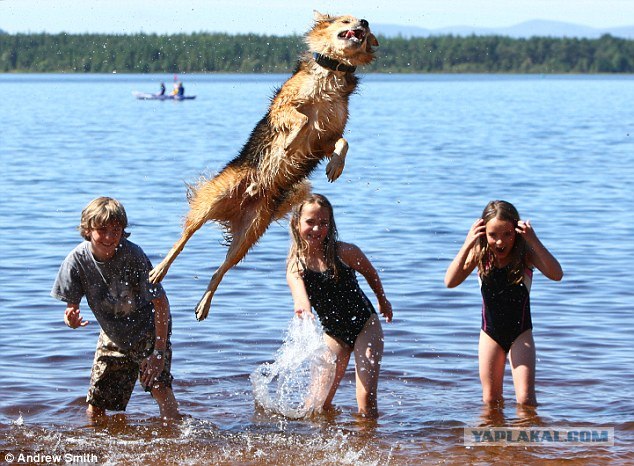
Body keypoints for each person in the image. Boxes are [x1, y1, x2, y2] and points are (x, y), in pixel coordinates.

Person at [51, 197, 180, 420]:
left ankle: (176, 441)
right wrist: (71, 320)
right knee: (96, 405)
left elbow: (161, 303)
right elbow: (71, 311)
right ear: (88, 229)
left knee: (159, 387)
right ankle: (99, 450)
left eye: (116, 230)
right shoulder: (76, 261)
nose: (110, 237)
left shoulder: (133, 256)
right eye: (102, 230)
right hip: (113, 335)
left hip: (147, 331)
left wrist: (158, 352)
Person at [444, 200, 563, 407]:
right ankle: (494, 440)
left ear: (516, 232)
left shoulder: (525, 254)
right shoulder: (481, 255)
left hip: (521, 334)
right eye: (493, 235)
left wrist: (534, 240)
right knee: (491, 400)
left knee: (526, 400)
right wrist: (467, 244)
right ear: (483, 233)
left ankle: (525, 439)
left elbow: (557, 274)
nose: (500, 242)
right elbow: (450, 281)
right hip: (490, 334)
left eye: (507, 234)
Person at [286, 194, 393, 418]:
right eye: (310, 222)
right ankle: (329, 441)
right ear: (297, 223)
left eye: (323, 223)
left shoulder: (344, 252)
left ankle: (368, 444)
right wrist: (304, 312)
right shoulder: (296, 266)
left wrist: (382, 301)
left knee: (366, 401)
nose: (316, 229)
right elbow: (300, 298)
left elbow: (371, 273)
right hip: (333, 334)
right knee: (316, 405)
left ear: (330, 225)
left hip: (365, 325)